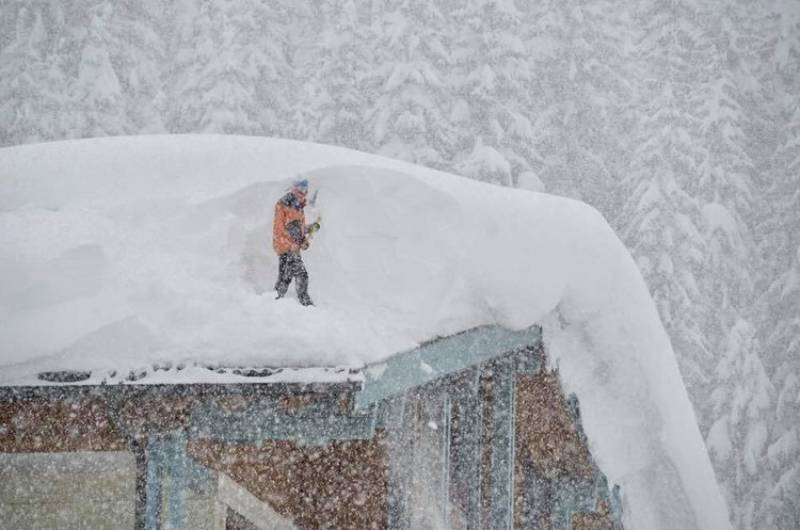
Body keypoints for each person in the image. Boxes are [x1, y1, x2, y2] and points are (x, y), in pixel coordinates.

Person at [273, 178, 316, 306]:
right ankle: (305, 302)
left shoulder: (298, 206)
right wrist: (293, 244)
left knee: (285, 277)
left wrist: (310, 228)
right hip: (286, 246)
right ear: (294, 188)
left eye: (305, 188)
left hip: (292, 247)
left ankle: (275, 300)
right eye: (300, 188)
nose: (303, 192)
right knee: (302, 275)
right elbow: (280, 229)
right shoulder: (286, 204)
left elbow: (297, 228)